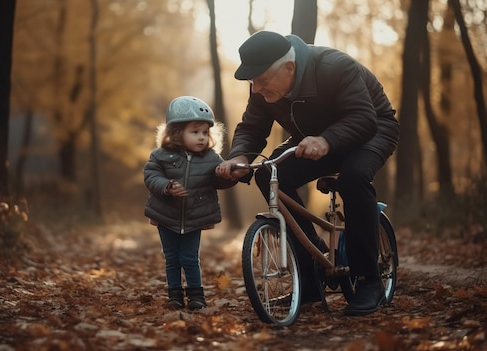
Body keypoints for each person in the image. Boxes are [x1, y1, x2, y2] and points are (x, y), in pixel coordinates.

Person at [216, 31, 400, 316]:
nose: (256, 89)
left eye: (262, 81)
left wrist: (326, 140)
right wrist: (239, 156)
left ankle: (369, 281)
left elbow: (364, 118)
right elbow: (252, 128)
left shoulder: (335, 67)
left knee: (353, 177)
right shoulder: (265, 87)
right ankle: (311, 271)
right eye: (253, 82)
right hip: (312, 138)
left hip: (371, 131)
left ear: (288, 68)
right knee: (269, 174)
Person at [144, 96, 236, 311]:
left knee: (190, 257)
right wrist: (167, 186)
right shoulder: (160, 156)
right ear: (176, 132)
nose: (202, 137)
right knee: (172, 258)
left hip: (193, 218)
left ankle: (196, 296)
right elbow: (150, 176)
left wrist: (228, 175)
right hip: (166, 215)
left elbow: (219, 181)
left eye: (205, 132)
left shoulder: (212, 158)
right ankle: (174, 295)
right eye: (195, 132)